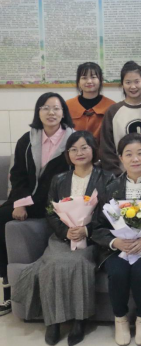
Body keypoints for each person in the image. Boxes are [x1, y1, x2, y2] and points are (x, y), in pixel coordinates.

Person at [12, 131, 111, 346]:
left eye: (84, 148)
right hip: (62, 236)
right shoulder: (59, 179)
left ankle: (79, 320)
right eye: (73, 149)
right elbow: (50, 212)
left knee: (77, 263)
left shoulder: (107, 178)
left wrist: (86, 230)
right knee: (51, 264)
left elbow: (109, 213)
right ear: (68, 154)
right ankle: (53, 322)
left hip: (91, 239)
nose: (79, 153)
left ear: (93, 150)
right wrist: (65, 232)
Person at [91, 133, 141, 346]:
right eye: (129, 154)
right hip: (117, 249)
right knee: (118, 272)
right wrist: (114, 242)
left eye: (140, 153)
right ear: (120, 158)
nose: (135, 159)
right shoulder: (110, 188)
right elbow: (97, 226)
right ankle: (121, 319)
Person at [1, 93, 75, 316]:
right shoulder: (27, 140)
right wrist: (20, 204)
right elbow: (18, 175)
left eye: (56, 108)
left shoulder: (73, 140)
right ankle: (7, 290)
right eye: (45, 108)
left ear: (63, 112)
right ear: (38, 112)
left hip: (58, 203)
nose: (51, 112)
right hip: (28, 200)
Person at [99, 61, 141, 176]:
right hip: (121, 177)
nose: (133, 86)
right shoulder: (113, 111)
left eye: (137, 81)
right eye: (128, 82)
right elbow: (106, 148)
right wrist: (117, 175)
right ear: (122, 84)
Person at [66, 62, 116, 144]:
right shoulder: (68, 105)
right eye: (84, 78)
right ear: (78, 82)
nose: (89, 81)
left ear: (100, 80)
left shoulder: (111, 107)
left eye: (93, 77)